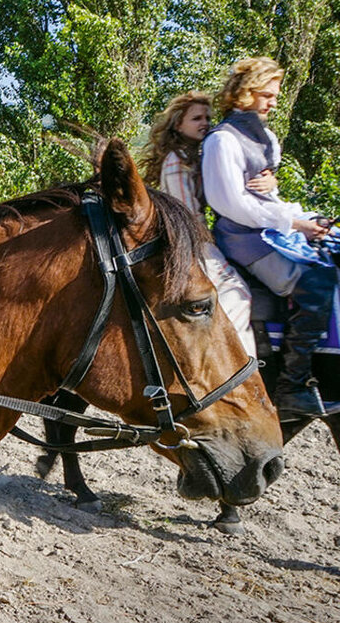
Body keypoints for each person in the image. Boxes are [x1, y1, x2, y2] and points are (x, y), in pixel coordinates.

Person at [202, 57, 340, 417]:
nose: (273, 102)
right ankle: (293, 383)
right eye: (267, 95)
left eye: (274, 95)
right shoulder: (222, 141)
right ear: (244, 94)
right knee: (318, 281)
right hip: (244, 237)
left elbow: (268, 198)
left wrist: (306, 217)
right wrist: (293, 224)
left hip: (271, 228)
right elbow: (230, 203)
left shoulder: (265, 137)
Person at [138, 91, 257, 357]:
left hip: (196, 238)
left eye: (207, 117)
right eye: (196, 118)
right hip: (192, 243)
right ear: (178, 124)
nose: (204, 122)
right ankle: (238, 364)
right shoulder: (177, 162)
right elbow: (188, 215)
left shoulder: (192, 156)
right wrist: (214, 245)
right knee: (237, 293)